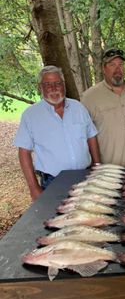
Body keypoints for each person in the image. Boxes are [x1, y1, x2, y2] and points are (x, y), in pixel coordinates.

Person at [14, 65, 100, 201]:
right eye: (48, 85)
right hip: (52, 183)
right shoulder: (30, 115)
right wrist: (33, 188)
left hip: (85, 178)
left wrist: (97, 167)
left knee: (87, 218)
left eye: (57, 83)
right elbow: (24, 152)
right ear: (40, 87)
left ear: (63, 85)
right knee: (56, 220)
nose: (53, 88)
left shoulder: (79, 108)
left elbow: (91, 137)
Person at [81, 48, 125, 167]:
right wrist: (95, 164)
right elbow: (84, 136)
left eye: (121, 64)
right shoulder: (89, 97)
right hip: (108, 171)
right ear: (103, 69)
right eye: (112, 65)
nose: (118, 69)